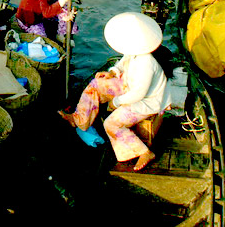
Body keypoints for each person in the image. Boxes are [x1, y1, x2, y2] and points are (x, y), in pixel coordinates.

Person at [60, 12, 169, 171]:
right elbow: (122, 63)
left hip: (146, 101)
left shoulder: (146, 63)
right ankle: (80, 119)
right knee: (96, 84)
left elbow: (138, 94)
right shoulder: (133, 52)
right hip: (128, 86)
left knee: (111, 123)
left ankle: (144, 152)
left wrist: (116, 102)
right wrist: (113, 72)